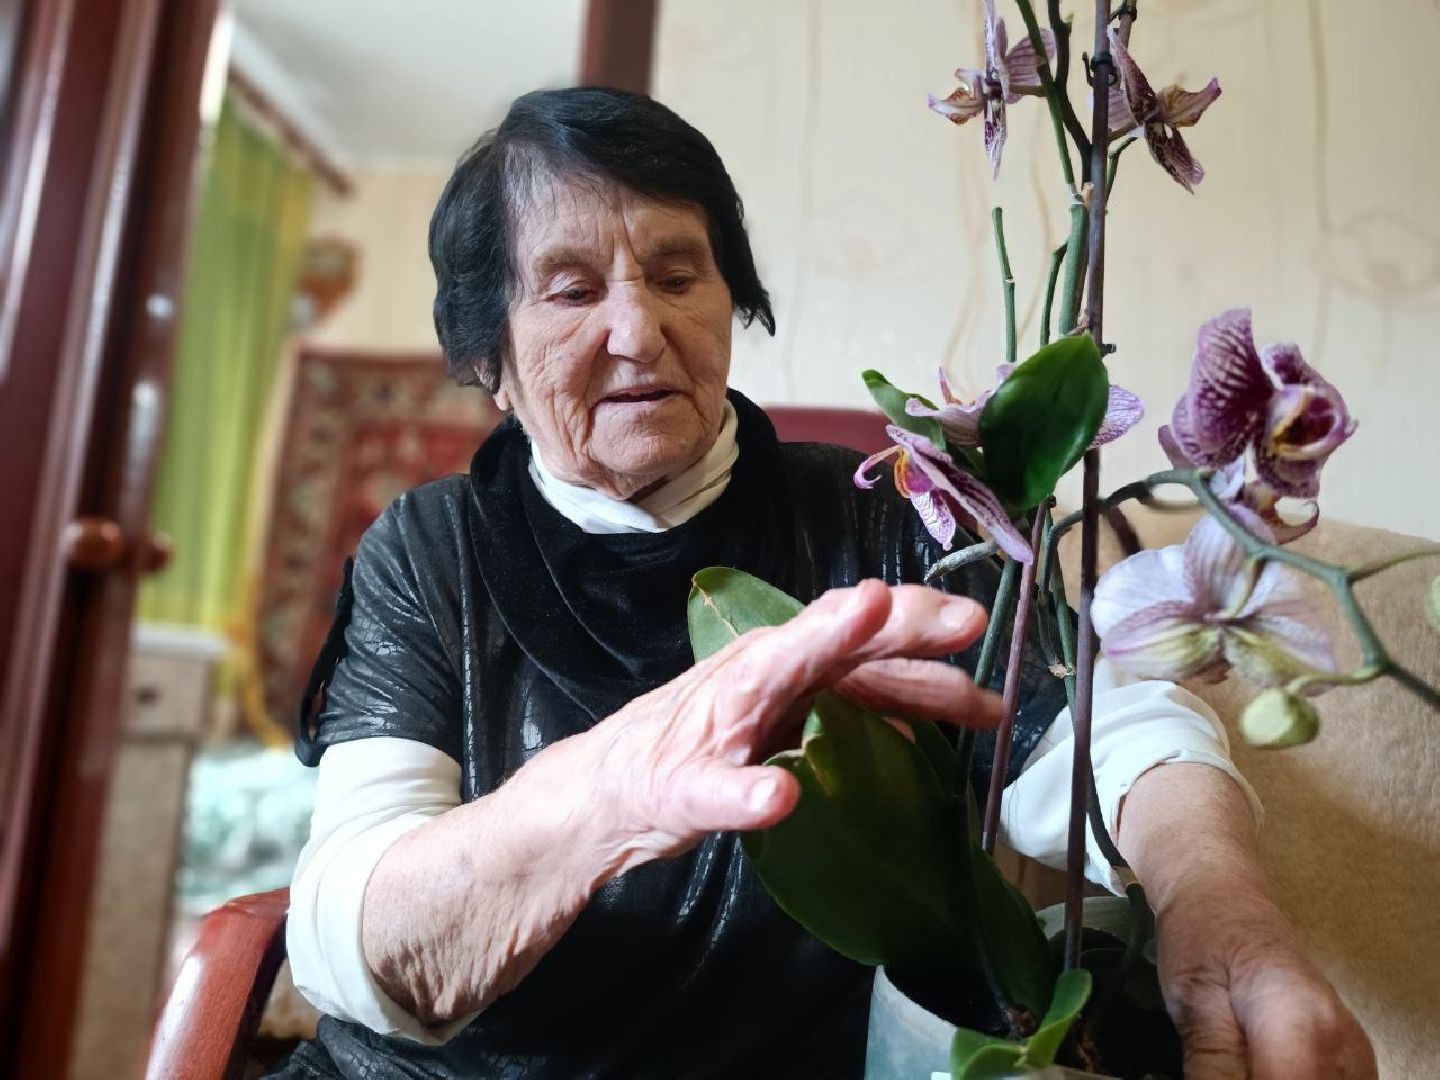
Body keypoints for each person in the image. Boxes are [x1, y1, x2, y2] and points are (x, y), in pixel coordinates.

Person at [274, 87, 1374, 1079]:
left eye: (676, 275)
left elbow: (1105, 728)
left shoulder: (883, 512)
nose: (637, 330)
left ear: (729, 302)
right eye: (569, 290)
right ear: (485, 358)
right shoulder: (431, 549)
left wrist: (1219, 909)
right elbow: (347, 933)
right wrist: (616, 790)